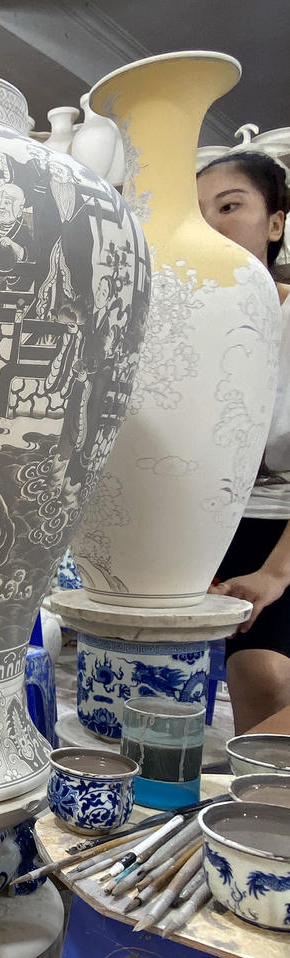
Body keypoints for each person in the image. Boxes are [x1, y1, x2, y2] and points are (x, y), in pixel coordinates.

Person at [198, 151, 290, 732]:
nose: (211, 225)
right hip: (213, 531)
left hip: (279, 533)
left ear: (275, 223)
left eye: (230, 206)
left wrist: (276, 573)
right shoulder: (189, 327)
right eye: (198, 213)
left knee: (264, 675)